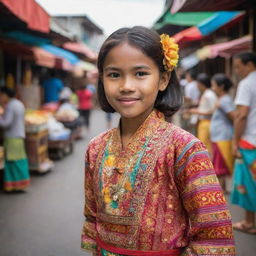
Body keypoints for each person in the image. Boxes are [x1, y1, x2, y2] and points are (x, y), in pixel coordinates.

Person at [81, 26, 235, 256]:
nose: (126, 86)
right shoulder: (95, 147)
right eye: (114, 74)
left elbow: (213, 234)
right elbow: (92, 215)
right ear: (102, 79)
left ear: (163, 79)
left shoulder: (184, 148)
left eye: (140, 73)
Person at [231, 52, 256, 234]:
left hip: (250, 141)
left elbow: (242, 115)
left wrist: (234, 142)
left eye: (238, 66)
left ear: (249, 65)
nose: (237, 71)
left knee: (247, 183)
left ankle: (249, 222)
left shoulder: (247, 84)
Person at [0, 87, 30, 192]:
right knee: (19, 161)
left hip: (12, 137)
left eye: (1, 95)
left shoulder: (10, 106)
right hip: (19, 136)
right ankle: (21, 184)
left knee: (12, 162)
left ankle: (13, 186)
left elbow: (6, 123)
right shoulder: (19, 103)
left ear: (5, 95)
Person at [210, 74, 235, 193]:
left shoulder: (225, 100)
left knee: (221, 163)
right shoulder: (222, 99)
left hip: (223, 137)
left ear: (221, 87)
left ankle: (220, 190)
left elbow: (233, 117)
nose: (212, 88)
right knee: (220, 163)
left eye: (214, 86)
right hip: (219, 136)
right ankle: (222, 189)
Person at [189, 73, 217, 156]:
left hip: (207, 122)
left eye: (198, 84)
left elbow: (213, 110)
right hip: (203, 122)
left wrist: (197, 112)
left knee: (205, 145)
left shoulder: (209, 95)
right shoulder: (206, 93)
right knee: (204, 144)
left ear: (201, 84)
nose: (197, 86)